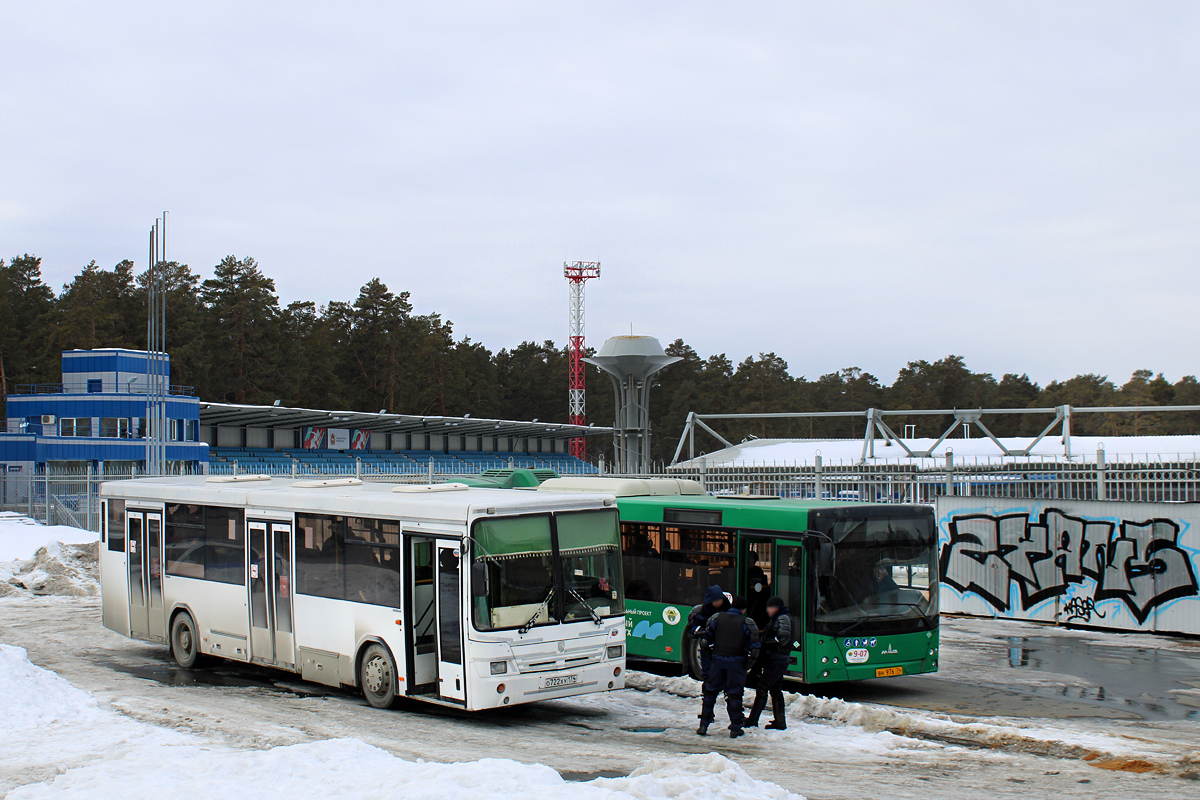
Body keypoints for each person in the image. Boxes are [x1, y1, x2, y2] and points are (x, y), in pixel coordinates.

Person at [697, 594, 760, 738]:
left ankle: (703, 725)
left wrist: (712, 658)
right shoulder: (748, 623)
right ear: (743, 609)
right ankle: (735, 727)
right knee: (734, 695)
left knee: (710, 693)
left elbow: (705, 642)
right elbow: (755, 649)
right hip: (736, 664)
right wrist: (747, 665)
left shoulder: (717, 618)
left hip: (718, 662)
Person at [745, 596, 793, 730]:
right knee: (775, 689)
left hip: (776, 660)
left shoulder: (783, 618)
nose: (767, 610)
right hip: (777, 659)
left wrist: (765, 645)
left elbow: (782, 640)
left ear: (775, 607)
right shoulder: (779, 618)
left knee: (762, 688)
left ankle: (753, 720)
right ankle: (780, 721)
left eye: (769, 607)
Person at [684, 585, 728, 681]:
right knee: (709, 677)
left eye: (719, 600)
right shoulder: (702, 613)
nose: (718, 603)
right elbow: (692, 630)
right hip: (708, 650)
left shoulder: (727, 610)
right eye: (715, 601)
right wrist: (701, 631)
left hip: (724, 650)